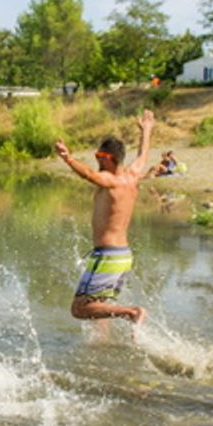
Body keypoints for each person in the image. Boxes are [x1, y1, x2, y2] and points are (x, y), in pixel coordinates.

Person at [54, 109, 155, 327]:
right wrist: (146, 130)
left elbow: (88, 174)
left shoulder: (111, 180)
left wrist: (68, 159)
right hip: (122, 255)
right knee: (100, 306)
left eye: (99, 157)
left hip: (107, 255)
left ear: (108, 158)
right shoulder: (132, 175)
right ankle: (102, 347)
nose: (97, 160)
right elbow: (143, 155)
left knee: (79, 309)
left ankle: (132, 312)